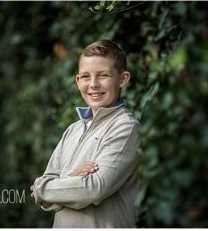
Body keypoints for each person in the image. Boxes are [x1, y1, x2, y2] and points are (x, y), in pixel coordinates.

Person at [31, 40, 142, 228]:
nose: (93, 84)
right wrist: (73, 179)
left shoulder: (126, 128)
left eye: (103, 75)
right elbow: (44, 195)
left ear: (123, 79)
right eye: (85, 76)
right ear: (77, 80)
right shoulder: (72, 130)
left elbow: (94, 189)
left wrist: (46, 189)